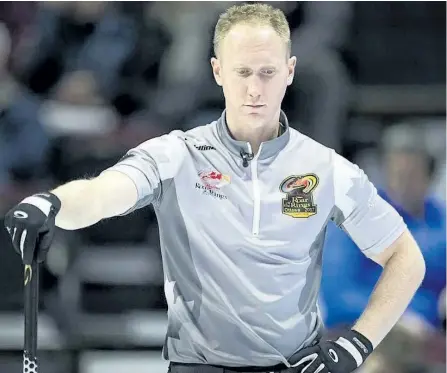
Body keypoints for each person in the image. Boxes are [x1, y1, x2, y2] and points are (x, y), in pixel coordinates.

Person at [3, 4, 426, 373]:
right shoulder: (177, 154)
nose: (255, 88)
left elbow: (405, 257)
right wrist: (51, 202)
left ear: (290, 71)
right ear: (217, 70)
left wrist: (357, 343)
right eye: (242, 72)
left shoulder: (329, 168)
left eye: (268, 72)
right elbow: (102, 194)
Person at [321, 124, 446, 331]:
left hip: (432, 336)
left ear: (429, 176)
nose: (404, 184)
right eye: (398, 175)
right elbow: (338, 296)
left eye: (413, 175)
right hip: (362, 332)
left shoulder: (440, 219)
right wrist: (405, 316)